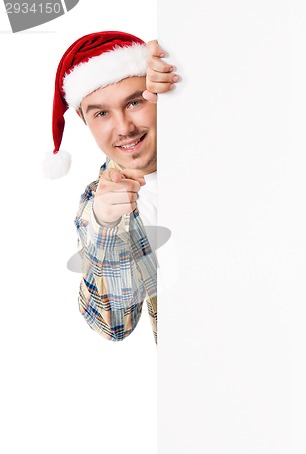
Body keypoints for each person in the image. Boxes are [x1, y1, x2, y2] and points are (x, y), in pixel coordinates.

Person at [44, 31, 179, 344]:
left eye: (134, 102)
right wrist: (106, 227)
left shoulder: (212, 145)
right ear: (83, 118)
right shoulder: (97, 203)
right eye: (101, 113)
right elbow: (113, 326)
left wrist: (183, 64)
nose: (124, 128)